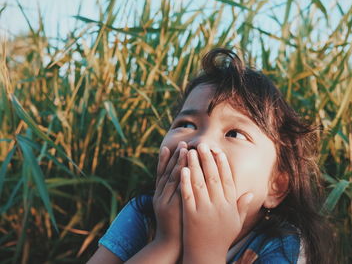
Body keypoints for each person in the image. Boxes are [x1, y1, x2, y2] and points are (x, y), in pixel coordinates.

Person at [87, 48, 334, 264]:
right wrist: (166, 242)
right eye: (187, 124)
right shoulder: (143, 213)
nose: (201, 144)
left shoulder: (280, 245)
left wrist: (205, 250)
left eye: (235, 134)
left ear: (276, 187)